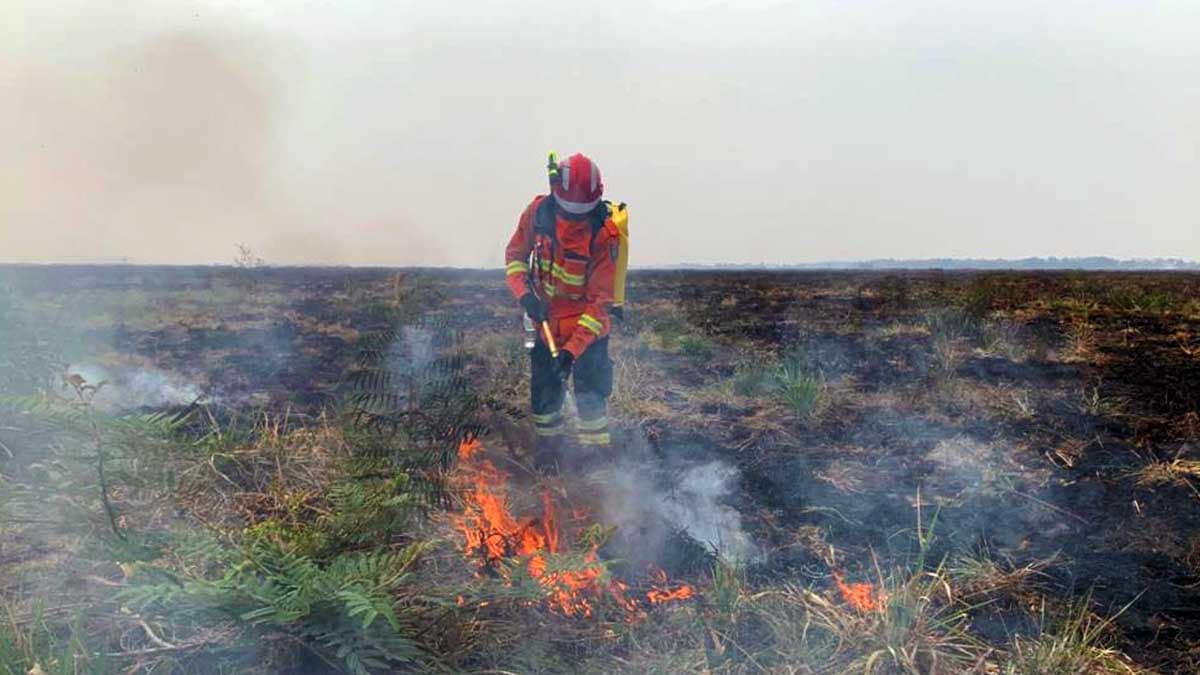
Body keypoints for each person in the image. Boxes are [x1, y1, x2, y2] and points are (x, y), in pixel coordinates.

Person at [504, 152, 620, 472]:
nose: (575, 218)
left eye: (582, 211)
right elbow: (515, 257)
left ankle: (596, 466)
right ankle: (548, 456)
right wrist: (525, 296)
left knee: (591, 399)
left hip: (588, 334)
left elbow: (599, 303)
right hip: (545, 327)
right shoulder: (537, 214)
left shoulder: (604, 234)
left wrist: (572, 351)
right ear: (555, 190)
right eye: (569, 210)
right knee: (545, 399)